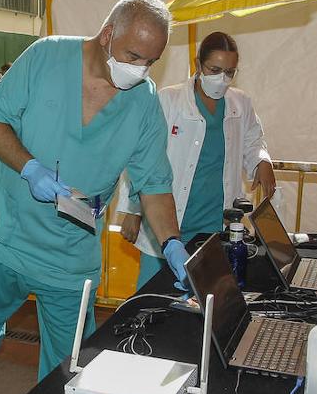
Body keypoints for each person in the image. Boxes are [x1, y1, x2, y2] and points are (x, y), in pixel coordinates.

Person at [0, 0, 187, 394]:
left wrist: (172, 244)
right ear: (108, 35)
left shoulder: (143, 103)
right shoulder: (47, 56)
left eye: (152, 61)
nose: (141, 69)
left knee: (70, 365)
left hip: (70, 257)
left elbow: (154, 185)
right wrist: (29, 167)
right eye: (133, 56)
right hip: (5, 237)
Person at [116, 31, 276, 286]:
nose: (221, 79)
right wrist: (133, 210)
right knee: (152, 298)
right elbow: (140, 155)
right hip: (168, 222)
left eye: (229, 72)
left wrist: (262, 161)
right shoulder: (168, 100)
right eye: (214, 69)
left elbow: (253, 141)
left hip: (214, 224)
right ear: (198, 64)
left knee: (206, 300)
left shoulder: (240, 103)